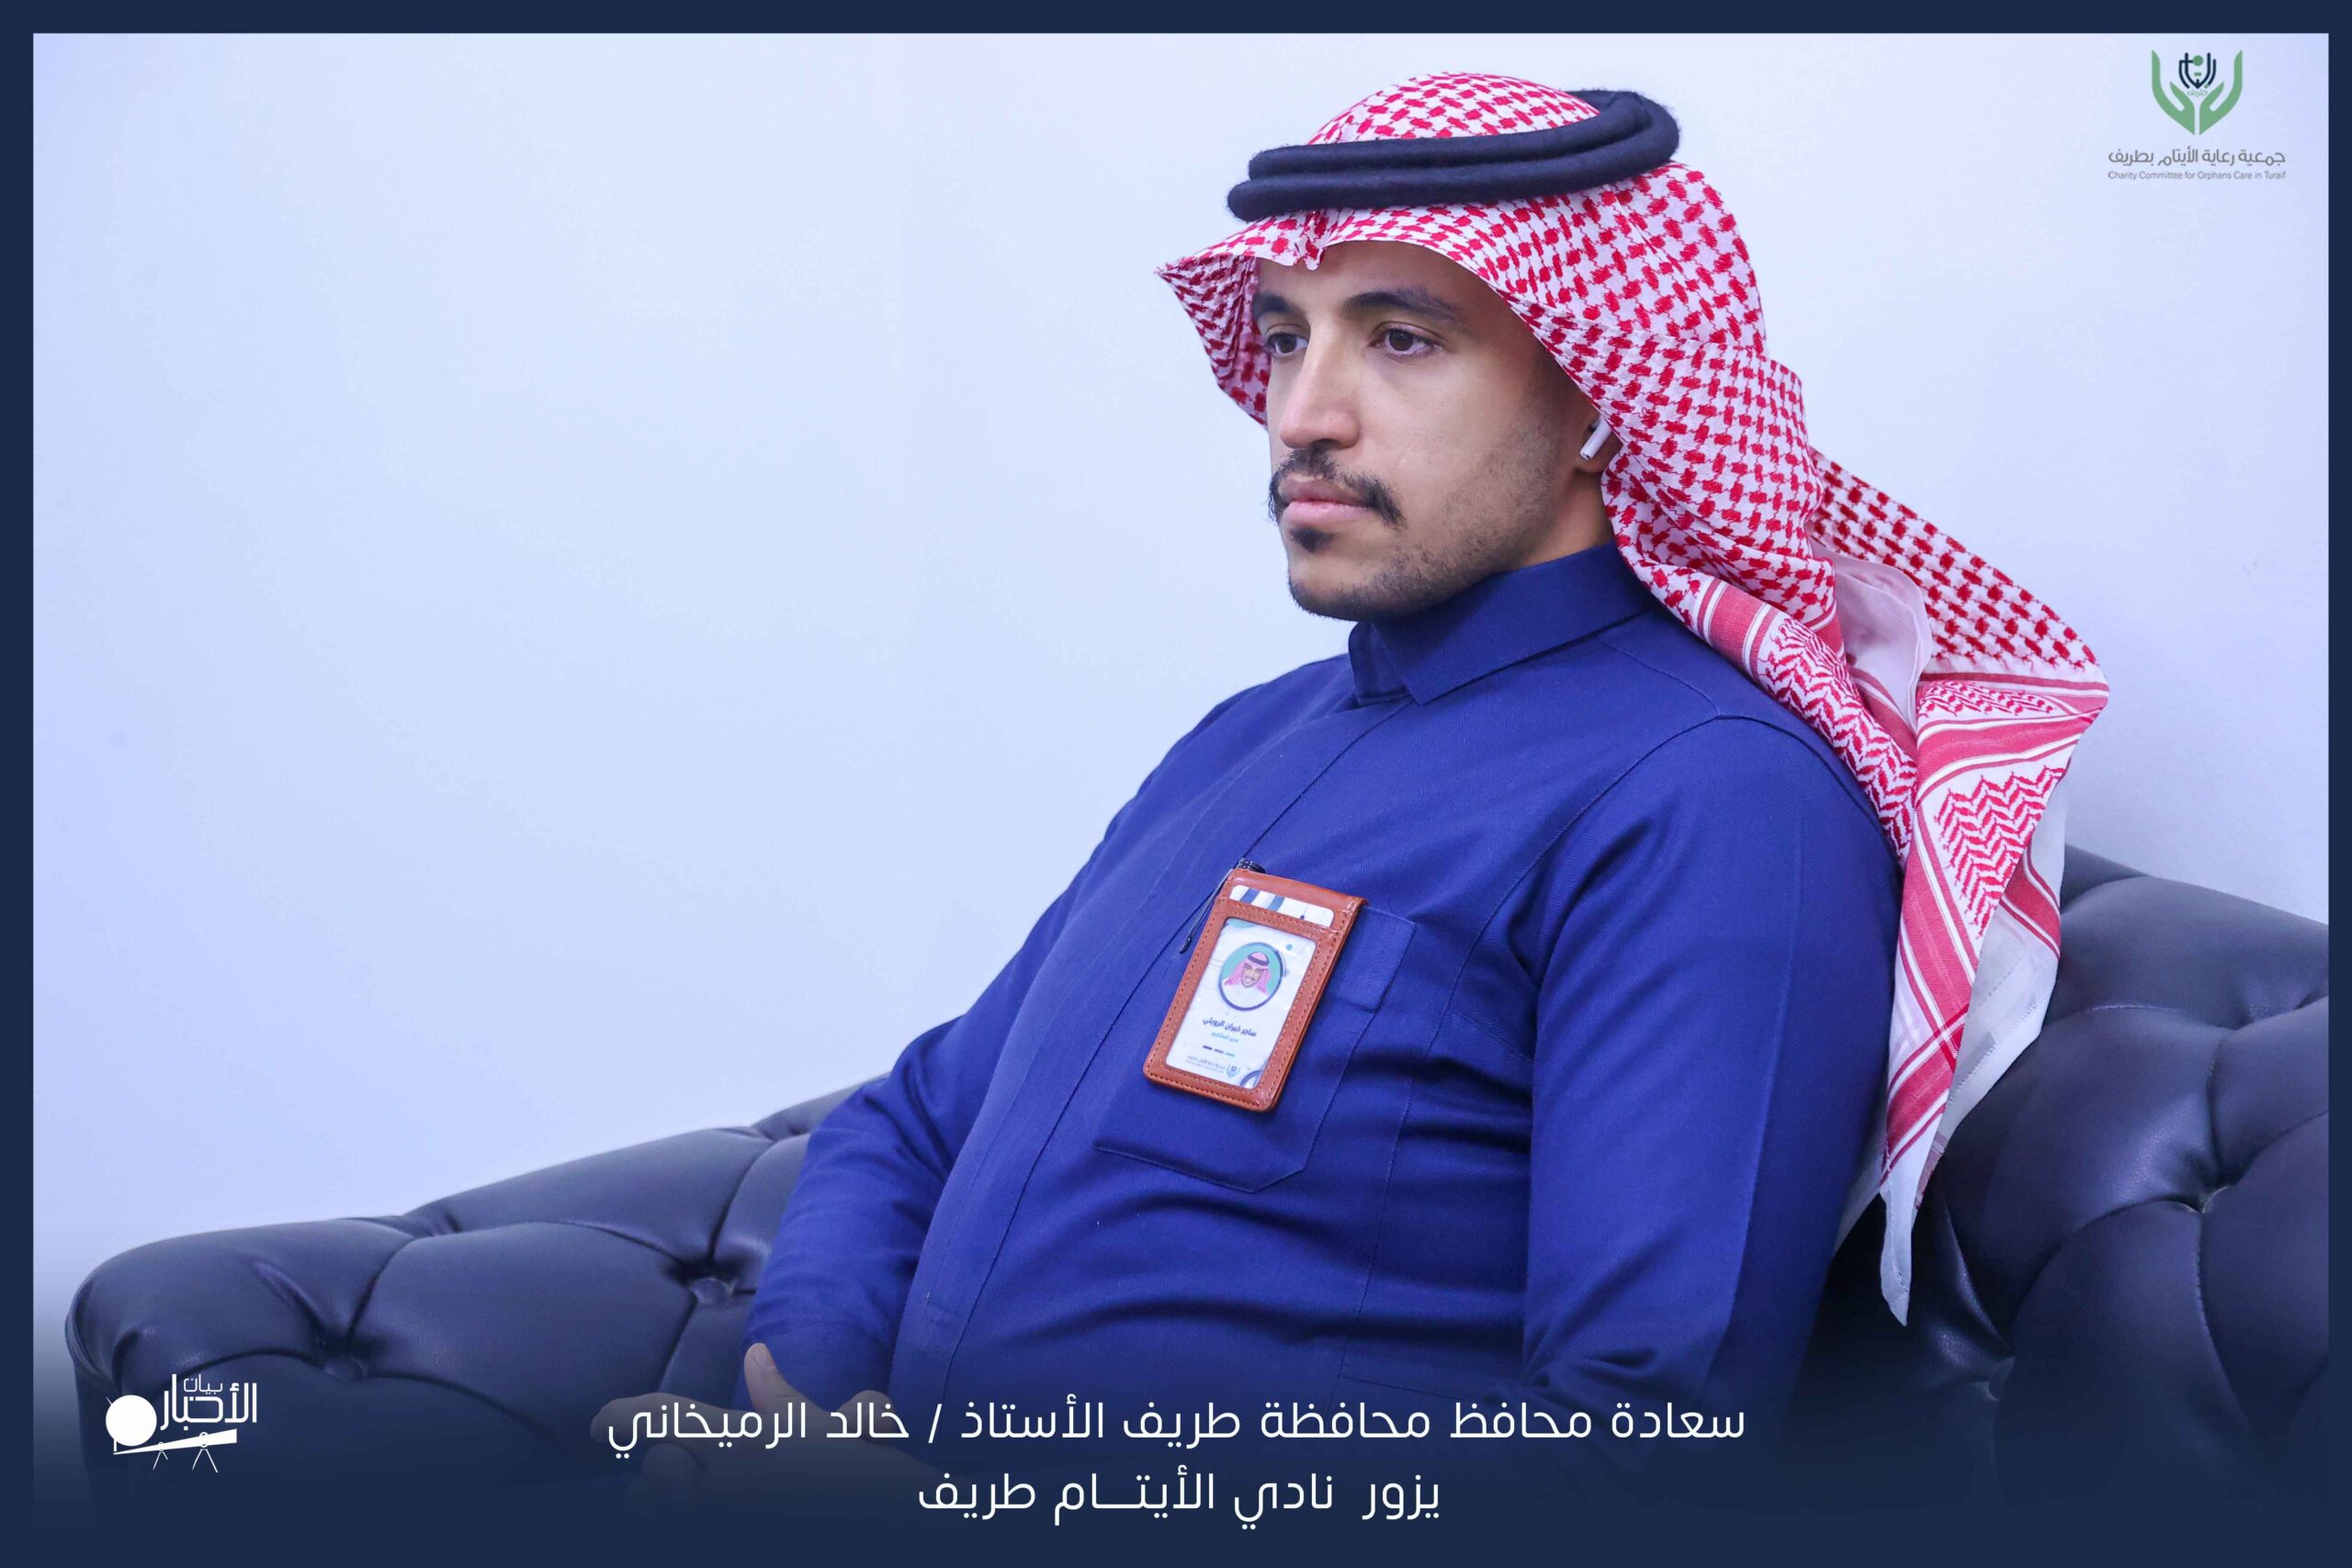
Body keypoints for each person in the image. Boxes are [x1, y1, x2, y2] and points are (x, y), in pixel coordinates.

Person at [594, 71, 2105, 1511]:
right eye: (1284, 336)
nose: (1303, 414)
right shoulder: (1249, 737)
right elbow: (914, 1122)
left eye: (1400, 338)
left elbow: (1637, 1455)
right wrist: (814, 1396)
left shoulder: (1711, 802)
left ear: (1599, 396)